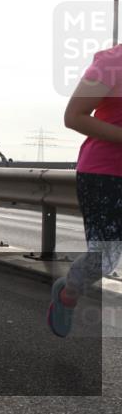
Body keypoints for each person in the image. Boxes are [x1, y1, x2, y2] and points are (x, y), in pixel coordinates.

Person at [48, 44, 122, 337]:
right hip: (105, 173)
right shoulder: (113, 62)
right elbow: (74, 116)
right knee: (104, 258)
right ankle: (67, 294)